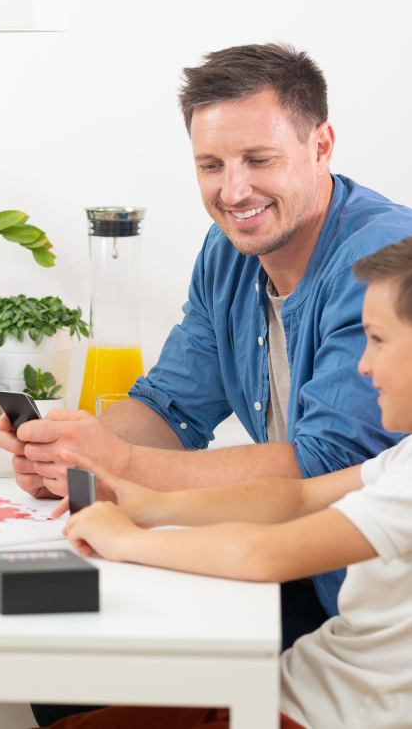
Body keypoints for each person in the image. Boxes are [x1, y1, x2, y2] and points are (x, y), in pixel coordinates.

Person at [0, 43, 412, 647]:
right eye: (210, 165)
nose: (234, 191)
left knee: (91, 649)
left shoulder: (384, 261)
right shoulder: (231, 252)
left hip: (352, 600)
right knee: (61, 631)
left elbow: (328, 465)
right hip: (289, 564)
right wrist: (75, 454)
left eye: (258, 159)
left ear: (320, 146)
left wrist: (122, 466)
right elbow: (170, 403)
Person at [39, 236, 412, 729]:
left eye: (378, 340)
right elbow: (298, 495)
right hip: (282, 688)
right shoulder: (403, 457)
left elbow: (263, 555)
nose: (362, 365)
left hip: (315, 715)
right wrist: (150, 505)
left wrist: (126, 539)